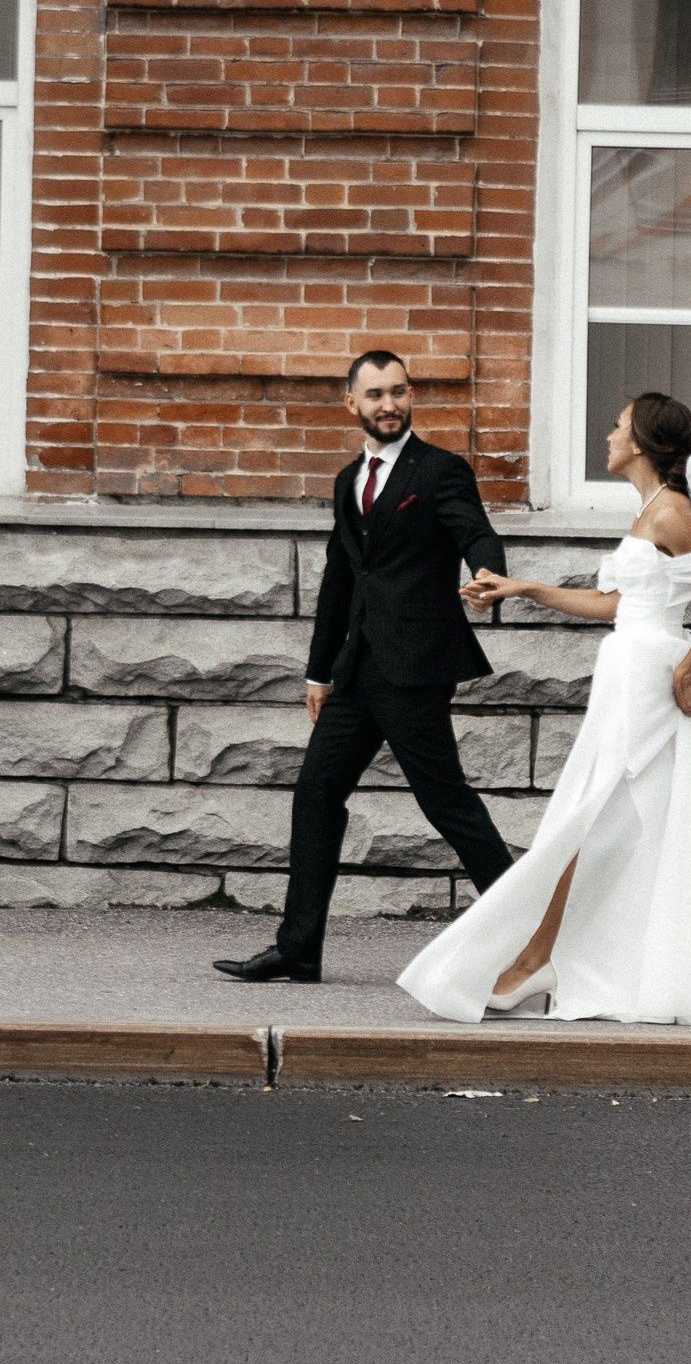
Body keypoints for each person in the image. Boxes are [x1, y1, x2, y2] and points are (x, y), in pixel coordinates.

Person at [397, 392, 691, 1035]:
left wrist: (685, 669)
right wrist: (524, 588)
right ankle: (556, 958)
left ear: (640, 443)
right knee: (609, 822)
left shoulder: (672, 512)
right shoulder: (650, 510)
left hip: (649, 679)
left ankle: (533, 959)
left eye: (618, 427)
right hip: (627, 669)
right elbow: (615, 604)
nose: (609, 436)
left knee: (583, 818)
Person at [215, 348, 516, 986]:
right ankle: (298, 948)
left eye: (400, 392)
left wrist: (488, 573)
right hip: (354, 672)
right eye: (376, 394)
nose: (390, 405)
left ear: (411, 397)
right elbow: (339, 581)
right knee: (316, 795)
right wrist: (319, 672)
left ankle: (530, 935)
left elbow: (476, 533)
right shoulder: (348, 480)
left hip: (414, 667)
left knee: (447, 804)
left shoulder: (440, 471)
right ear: (351, 403)